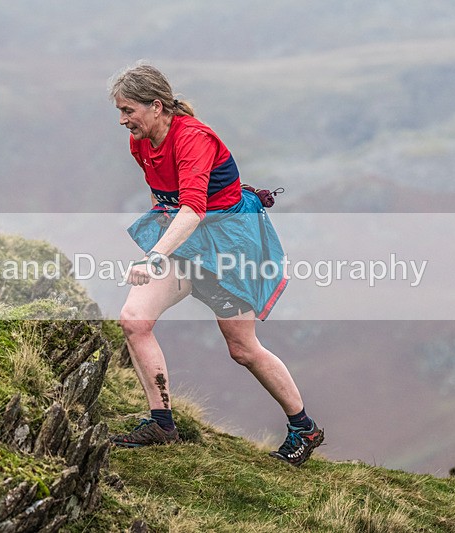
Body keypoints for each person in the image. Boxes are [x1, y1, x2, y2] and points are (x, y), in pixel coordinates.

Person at [107, 62, 323, 467]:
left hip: (229, 245)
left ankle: (304, 428)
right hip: (187, 241)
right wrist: (160, 252)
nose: (122, 120)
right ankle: (162, 424)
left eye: (127, 110)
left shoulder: (193, 138)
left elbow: (193, 208)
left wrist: (155, 256)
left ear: (156, 106)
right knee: (135, 320)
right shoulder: (140, 141)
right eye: (119, 111)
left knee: (242, 348)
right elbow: (167, 201)